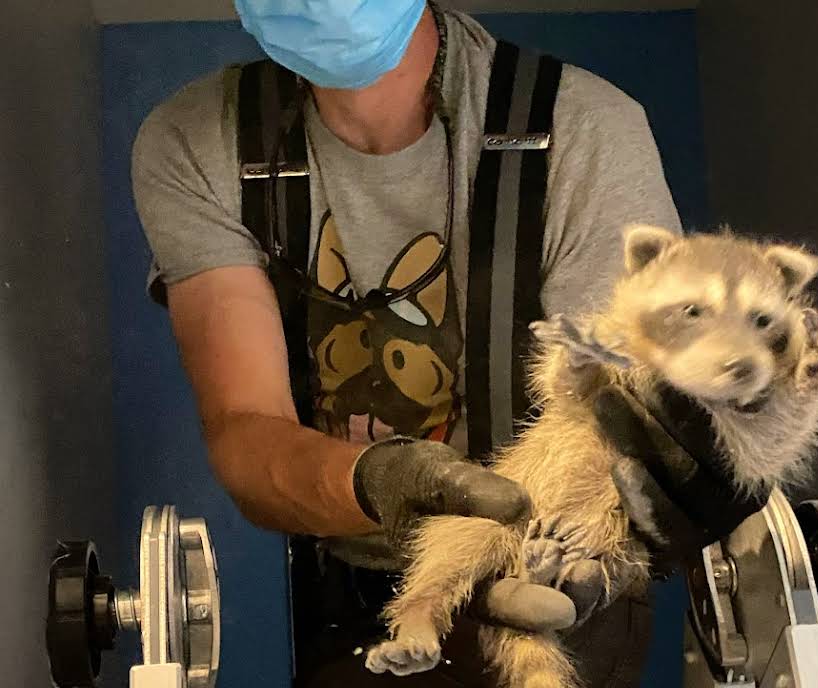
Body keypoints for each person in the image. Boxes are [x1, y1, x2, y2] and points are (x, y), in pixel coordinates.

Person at [131, 2, 769, 686]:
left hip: (558, 571)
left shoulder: (584, 127)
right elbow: (246, 427)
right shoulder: (199, 141)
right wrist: (379, 482)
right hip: (354, 586)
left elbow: (615, 407)